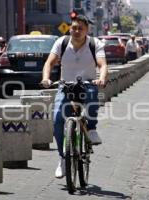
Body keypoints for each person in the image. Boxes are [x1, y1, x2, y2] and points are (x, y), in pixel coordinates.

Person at [41, 14, 108, 178]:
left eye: (80, 28)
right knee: (57, 119)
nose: (76, 31)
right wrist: (46, 78)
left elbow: (103, 65)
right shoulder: (62, 42)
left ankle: (91, 128)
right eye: (74, 28)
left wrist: (101, 79)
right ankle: (63, 159)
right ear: (70, 28)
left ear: (87, 30)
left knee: (92, 94)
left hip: (87, 84)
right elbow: (49, 62)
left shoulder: (95, 44)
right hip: (66, 85)